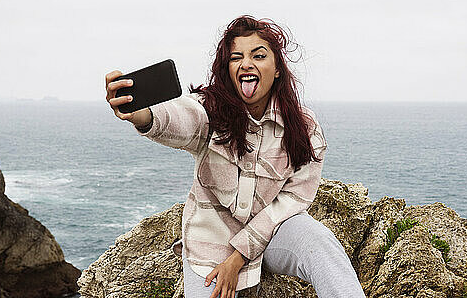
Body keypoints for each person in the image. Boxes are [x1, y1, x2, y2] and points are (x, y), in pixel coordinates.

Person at [105, 16, 366, 298]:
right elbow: (178, 117)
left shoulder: (304, 127)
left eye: (259, 55)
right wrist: (140, 114)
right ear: (228, 69)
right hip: (211, 242)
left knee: (319, 242)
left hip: (274, 233)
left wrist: (238, 258)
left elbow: (291, 201)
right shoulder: (210, 112)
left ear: (277, 69)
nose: (246, 64)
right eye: (236, 57)